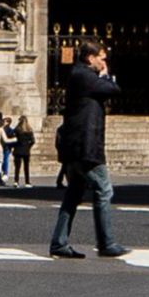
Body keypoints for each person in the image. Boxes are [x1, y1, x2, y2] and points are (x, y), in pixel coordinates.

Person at [47, 45, 122, 259]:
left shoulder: (80, 75)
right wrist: (106, 76)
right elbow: (114, 90)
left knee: (73, 195)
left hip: (76, 146)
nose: (104, 62)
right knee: (104, 189)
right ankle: (106, 242)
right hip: (85, 147)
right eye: (102, 58)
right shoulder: (85, 76)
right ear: (90, 58)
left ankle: (59, 243)